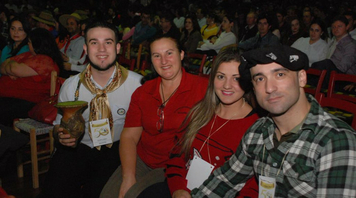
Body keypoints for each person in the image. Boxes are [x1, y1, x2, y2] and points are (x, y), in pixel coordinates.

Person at [191, 45, 356, 197]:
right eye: (260, 79)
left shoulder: (336, 141)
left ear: (301, 78)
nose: (269, 88)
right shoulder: (258, 132)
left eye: (280, 74)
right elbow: (224, 181)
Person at [138, 47, 259, 198]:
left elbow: (253, 187)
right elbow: (177, 155)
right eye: (221, 77)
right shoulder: (199, 111)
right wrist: (178, 189)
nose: (227, 85)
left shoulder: (255, 129)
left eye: (236, 78)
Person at [40, 21, 142, 198]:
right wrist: (62, 136)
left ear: (118, 48)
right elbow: (58, 126)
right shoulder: (71, 86)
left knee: (96, 192)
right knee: (53, 188)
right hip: (81, 147)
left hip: (118, 151)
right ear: (86, 49)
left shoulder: (138, 85)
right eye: (94, 42)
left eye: (108, 42)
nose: (101, 49)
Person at [100, 36, 208, 198]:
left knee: (133, 195)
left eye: (169, 53)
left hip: (175, 166)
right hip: (142, 159)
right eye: (156, 55)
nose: (163, 61)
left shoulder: (202, 89)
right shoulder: (143, 92)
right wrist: (128, 176)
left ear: (181, 55)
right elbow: (129, 136)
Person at [0, 28, 62, 126]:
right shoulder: (29, 55)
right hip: (12, 98)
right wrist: (10, 67)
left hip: (29, 102)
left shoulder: (45, 60)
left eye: (29, 42)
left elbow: (13, 68)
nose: (28, 45)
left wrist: (11, 66)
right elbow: (3, 66)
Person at [58, 12, 86, 77]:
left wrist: (67, 59)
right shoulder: (71, 39)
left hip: (73, 73)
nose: (69, 26)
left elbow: (77, 61)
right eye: (68, 24)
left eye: (72, 24)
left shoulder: (81, 41)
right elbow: (62, 52)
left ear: (78, 25)